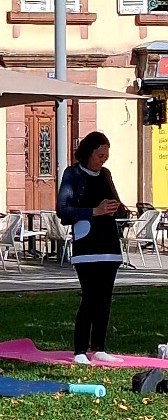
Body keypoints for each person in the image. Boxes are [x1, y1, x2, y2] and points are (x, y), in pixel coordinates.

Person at [56, 130, 127, 365]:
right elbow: (63, 210)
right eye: (99, 156)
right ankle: (79, 349)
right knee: (90, 297)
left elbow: (116, 204)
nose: (102, 161)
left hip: (109, 243)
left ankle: (99, 347)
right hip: (87, 245)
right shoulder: (73, 174)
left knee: (104, 299)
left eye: (106, 156)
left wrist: (118, 209)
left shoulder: (105, 174)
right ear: (88, 152)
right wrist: (94, 211)